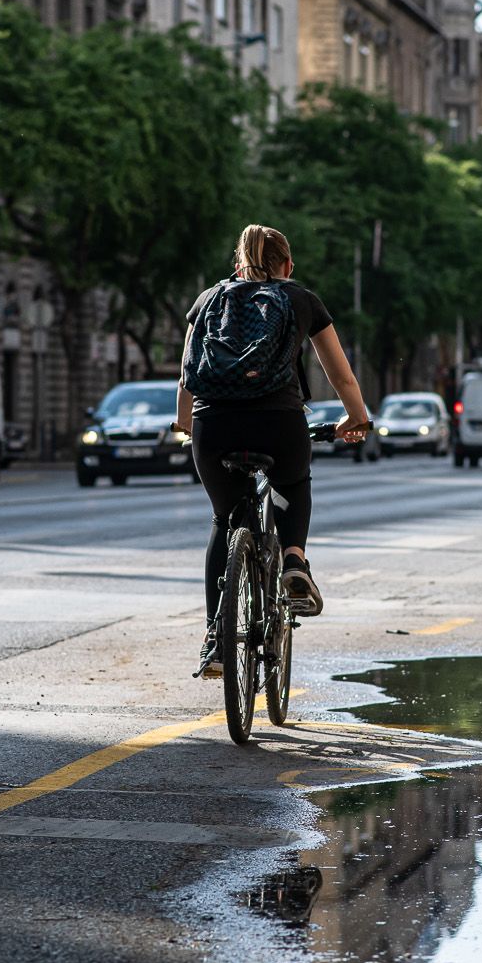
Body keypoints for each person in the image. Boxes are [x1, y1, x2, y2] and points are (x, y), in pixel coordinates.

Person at [174, 225, 373, 678]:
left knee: (224, 521)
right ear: (287, 265)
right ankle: (294, 561)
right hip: (279, 423)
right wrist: (356, 418)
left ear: (237, 263)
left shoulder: (209, 299)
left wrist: (185, 424)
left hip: (214, 426)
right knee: (292, 484)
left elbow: (186, 374)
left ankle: (216, 641)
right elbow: (341, 376)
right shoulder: (301, 299)